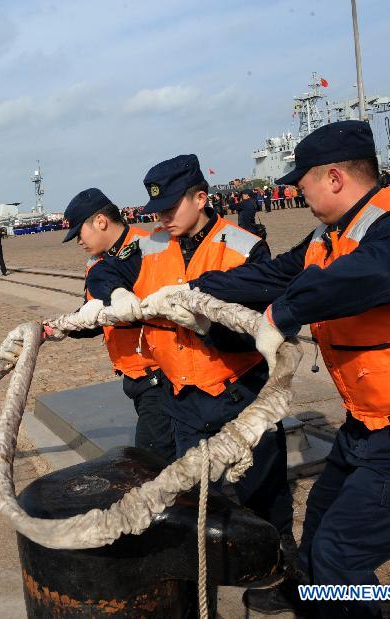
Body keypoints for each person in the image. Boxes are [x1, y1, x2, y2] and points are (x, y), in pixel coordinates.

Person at [188, 120, 390, 618]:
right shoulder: (327, 235)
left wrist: (281, 315)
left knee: (339, 558)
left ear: (333, 178)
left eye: (301, 181)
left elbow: (366, 275)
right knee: (318, 533)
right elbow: (270, 273)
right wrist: (193, 291)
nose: (297, 191)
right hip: (369, 425)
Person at [134, 154, 294, 575]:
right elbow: (110, 267)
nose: (163, 217)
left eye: (171, 207)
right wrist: (110, 290)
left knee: (263, 490)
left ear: (201, 197)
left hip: (238, 393)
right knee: (198, 499)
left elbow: (263, 330)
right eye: (158, 210)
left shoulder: (244, 248)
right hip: (182, 399)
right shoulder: (150, 246)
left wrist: (206, 326)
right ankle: (209, 571)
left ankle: (278, 571)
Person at [59, 188, 175, 462]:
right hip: (135, 376)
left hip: (160, 375)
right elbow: (98, 318)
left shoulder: (149, 248)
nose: (78, 242)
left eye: (79, 233)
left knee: (151, 462)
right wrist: (65, 327)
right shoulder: (97, 262)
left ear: (100, 221)